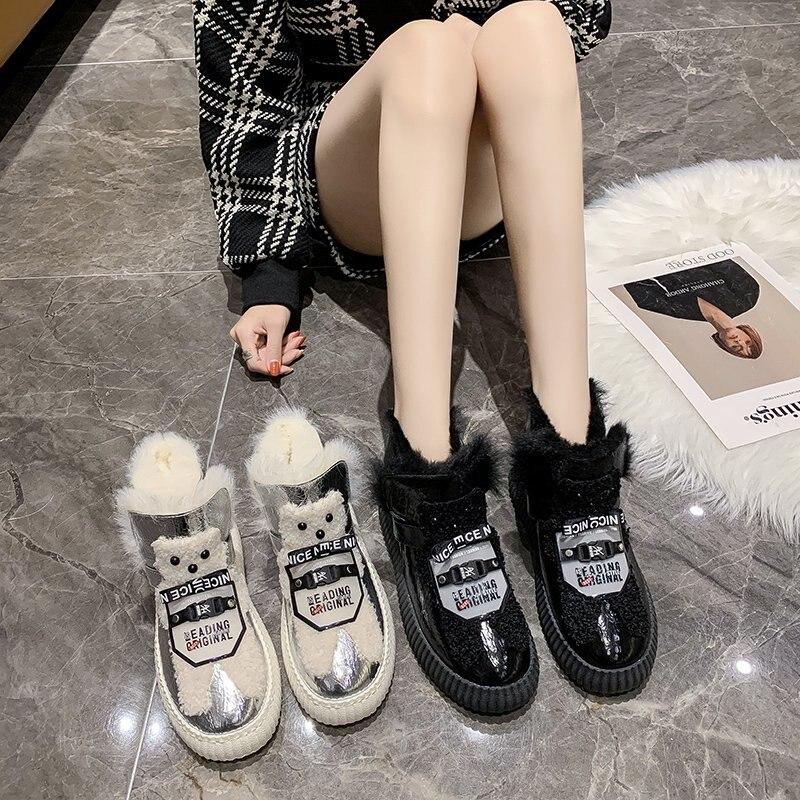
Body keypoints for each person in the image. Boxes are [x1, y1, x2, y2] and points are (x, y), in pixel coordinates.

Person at [193, 0, 657, 706]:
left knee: (532, 25)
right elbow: (244, 89)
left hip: (486, 169)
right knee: (425, 55)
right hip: (362, 171)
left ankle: (568, 454)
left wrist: (472, 24)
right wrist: (270, 274)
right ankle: (425, 457)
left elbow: (583, 14)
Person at [625, 258, 763, 359]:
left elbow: (640, 293)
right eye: (747, 342)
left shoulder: (680, 311)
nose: (739, 342)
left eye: (736, 347)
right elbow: (718, 259)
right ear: (748, 333)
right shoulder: (748, 297)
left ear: (723, 344)